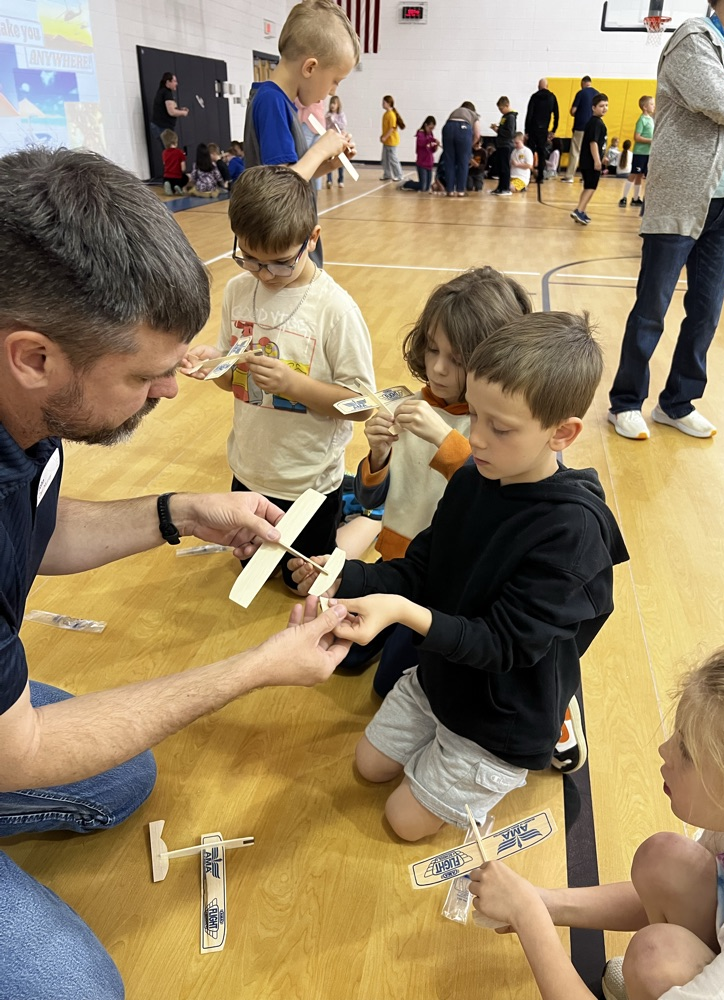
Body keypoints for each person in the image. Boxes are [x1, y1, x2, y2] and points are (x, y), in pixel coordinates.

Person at [0, 145, 353, 999]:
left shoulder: (25, 412)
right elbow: (23, 752)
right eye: (147, 376)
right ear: (35, 356)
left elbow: (35, 531)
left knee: (122, 776)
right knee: (81, 990)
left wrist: (179, 513)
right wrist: (255, 669)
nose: (168, 394)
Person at [291, 311, 629, 841]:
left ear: (562, 433)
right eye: (474, 414)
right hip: (444, 674)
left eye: (501, 427)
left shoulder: (574, 533)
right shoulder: (475, 477)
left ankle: (540, 737)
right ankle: (444, 751)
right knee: (369, 764)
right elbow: (426, 566)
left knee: (403, 824)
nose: (476, 437)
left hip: (503, 709)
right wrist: (345, 578)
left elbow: (500, 645)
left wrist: (400, 612)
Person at [469, 640, 724, 1000]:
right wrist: (541, 901)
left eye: (686, 751)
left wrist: (528, 915)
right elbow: (666, 889)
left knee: (655, 959)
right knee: (664, 859)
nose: (664, 750)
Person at [181, 165, 375, 590]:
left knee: (301, 581)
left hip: (306, 480)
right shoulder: (237, 290)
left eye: (281, 264)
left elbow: (362, 405)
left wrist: (294, 386)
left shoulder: (334, 309)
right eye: (249, 259)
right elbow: (231, 380)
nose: (264, 274)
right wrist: (214, 364)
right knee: (252, 569)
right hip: (249, 468)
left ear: (313, 240)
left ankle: (365, 519)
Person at [349, 267, 533, 690]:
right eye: (432, 349)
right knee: (344, 648)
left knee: (388, 685)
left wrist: (444, 438)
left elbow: (492, 502)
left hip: (449, 578)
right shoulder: (411, 403)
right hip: (398, 558)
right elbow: (369, 497)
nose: (438, 369)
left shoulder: (494, 426)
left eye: (458, 360)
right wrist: (378, 455)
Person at [608, 0, 724, 441]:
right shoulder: (693, 38)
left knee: (706, 313)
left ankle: (677, 403)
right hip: (682, 199)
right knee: (652, 308)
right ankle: (626, 402)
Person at [242, 0, 359, 268]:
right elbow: (280, 187)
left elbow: (291, 175)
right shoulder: (271, 101)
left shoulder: (279, 102)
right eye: (334, 81)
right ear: (310, 68)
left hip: (289, 243)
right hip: (280, 249)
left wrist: (327, 162)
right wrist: (320, 148)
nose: (332, 91)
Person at [571, 93, 609, 225]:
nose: (604, 108)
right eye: (601, 106)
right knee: (591, 187)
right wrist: (597, 161)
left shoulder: (596, 122)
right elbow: (593, 143)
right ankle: (579, 211)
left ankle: (580, 210)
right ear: (593, 108)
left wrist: (603, 157)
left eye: (606, 105)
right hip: (591, 162)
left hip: (589, 161)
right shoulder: (595, 123)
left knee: (588, 186)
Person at [619, 96, 655, 207]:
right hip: (640, 153)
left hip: (648, 153)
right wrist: (651, 141)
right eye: (652, 104)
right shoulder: (641, 120)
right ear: (645, 107)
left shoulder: (651, 119)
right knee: (634, 174)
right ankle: (623, 197)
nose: (654, 106)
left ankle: (635, 198)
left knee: (640, 176)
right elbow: (637, 137)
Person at [442, 100, 481, 197]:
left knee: (449, 162)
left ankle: (450, 191)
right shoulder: (473, 114)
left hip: (448, 128)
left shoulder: (456, 111)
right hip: (463, 129)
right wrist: (470, 145)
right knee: (463, 162)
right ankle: (460, 191)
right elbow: (477, 134)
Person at [525, 79, 560, 188]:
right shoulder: (552, 97)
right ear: (547, 86)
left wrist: (526, 130)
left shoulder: (534, 97)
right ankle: (540, 177)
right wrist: (553, 130)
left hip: (533, 128)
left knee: (530, 152)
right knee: (541, 153)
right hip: (544, 129)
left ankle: (529, 175)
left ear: (538, 86)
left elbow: (529, 114)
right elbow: (557, 115)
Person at [563, 75, 595, 182]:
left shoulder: (581, 93)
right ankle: (586, 177)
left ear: (582, 83)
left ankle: (569, 176)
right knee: (589, 153)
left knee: (575, 151)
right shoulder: (597, 94)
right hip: (592, 126)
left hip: (581, 126)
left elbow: (573, 110)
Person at [150, 71, 188, 145]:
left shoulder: (162, 92)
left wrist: (179, 109)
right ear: (168, 82)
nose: (176, 84)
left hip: (160, 126)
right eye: (174, 81)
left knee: (168, 150)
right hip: (162, 127)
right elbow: (171, 112)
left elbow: (169, 108)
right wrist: (183, 113)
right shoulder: (167, 93)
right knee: (170, 150)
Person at [489, 96, 517, 196]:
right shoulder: (505, 117)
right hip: (501, 144)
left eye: (501, 109)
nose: (501, 111)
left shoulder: (511, 117)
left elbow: (510, 133)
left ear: (507, 105)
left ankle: (505, 188)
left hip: (506, 145)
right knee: (500, 167)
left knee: (505, 168)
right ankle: (500, 187)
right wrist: (497, 129)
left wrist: (499, 129)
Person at [380, 95, 405, 181]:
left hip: (391, 141)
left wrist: (385, 137)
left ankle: (399, 175)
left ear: (389, 103)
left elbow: (392, 128)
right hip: (386, 141)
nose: (382, 104)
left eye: (384, 102)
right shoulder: (386, 114)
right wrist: (383, 136)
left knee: (393, 159)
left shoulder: (391, 115)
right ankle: (387, 174)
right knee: (385, 159)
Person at [325, 94, 347, 188]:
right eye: (331, 104)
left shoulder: (341, 115)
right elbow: (326, 126)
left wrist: (334, 120)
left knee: (340, 160)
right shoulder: (328, 115)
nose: (332, 106)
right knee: (329, 160)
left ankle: (340, 179)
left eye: (334, 104)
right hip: (330, 140)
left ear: (338, 105)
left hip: (339, 140)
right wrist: (329, 120)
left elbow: (343, 125)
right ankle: (329, 180)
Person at [160, 128, 188, 195]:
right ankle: (178, 186)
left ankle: (168, 184)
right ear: (175, 141)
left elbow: (164, 164)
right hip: (177, 177)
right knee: (186, 178)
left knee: (170, 186)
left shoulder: (164, 153)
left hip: (166, 176)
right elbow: (183, 168)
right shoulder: (180, 152)